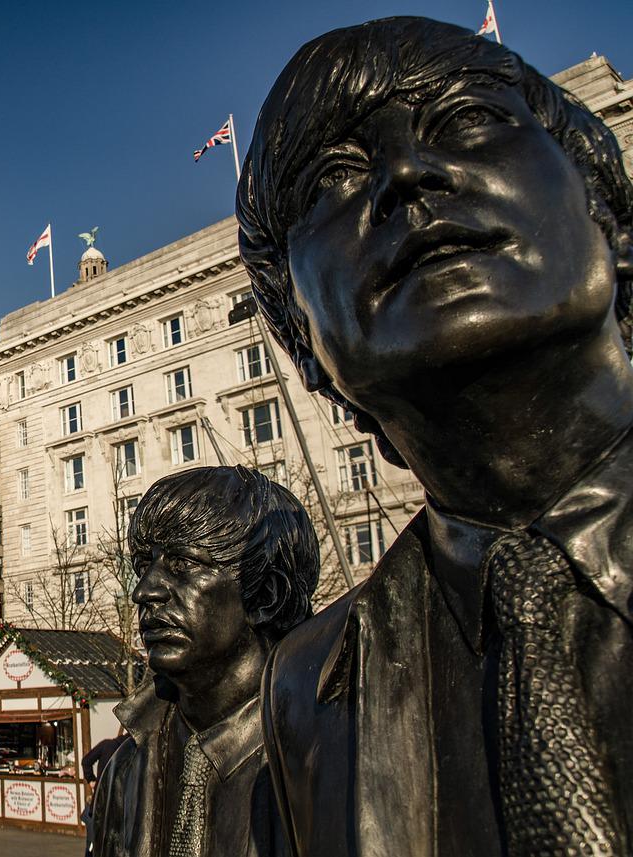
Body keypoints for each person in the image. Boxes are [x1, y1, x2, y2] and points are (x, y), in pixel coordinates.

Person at [236, 17, 633, 857]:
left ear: (610, 213)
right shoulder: (306, 684)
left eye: (466, 120)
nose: (408, 175)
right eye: (334, 178)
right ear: (303, 344)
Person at [90, 466, 319, 857]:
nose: (143, 591)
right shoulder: (125, 770)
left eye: (182, 565)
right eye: (144, 565)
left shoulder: (333, 759)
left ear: (267, 594)